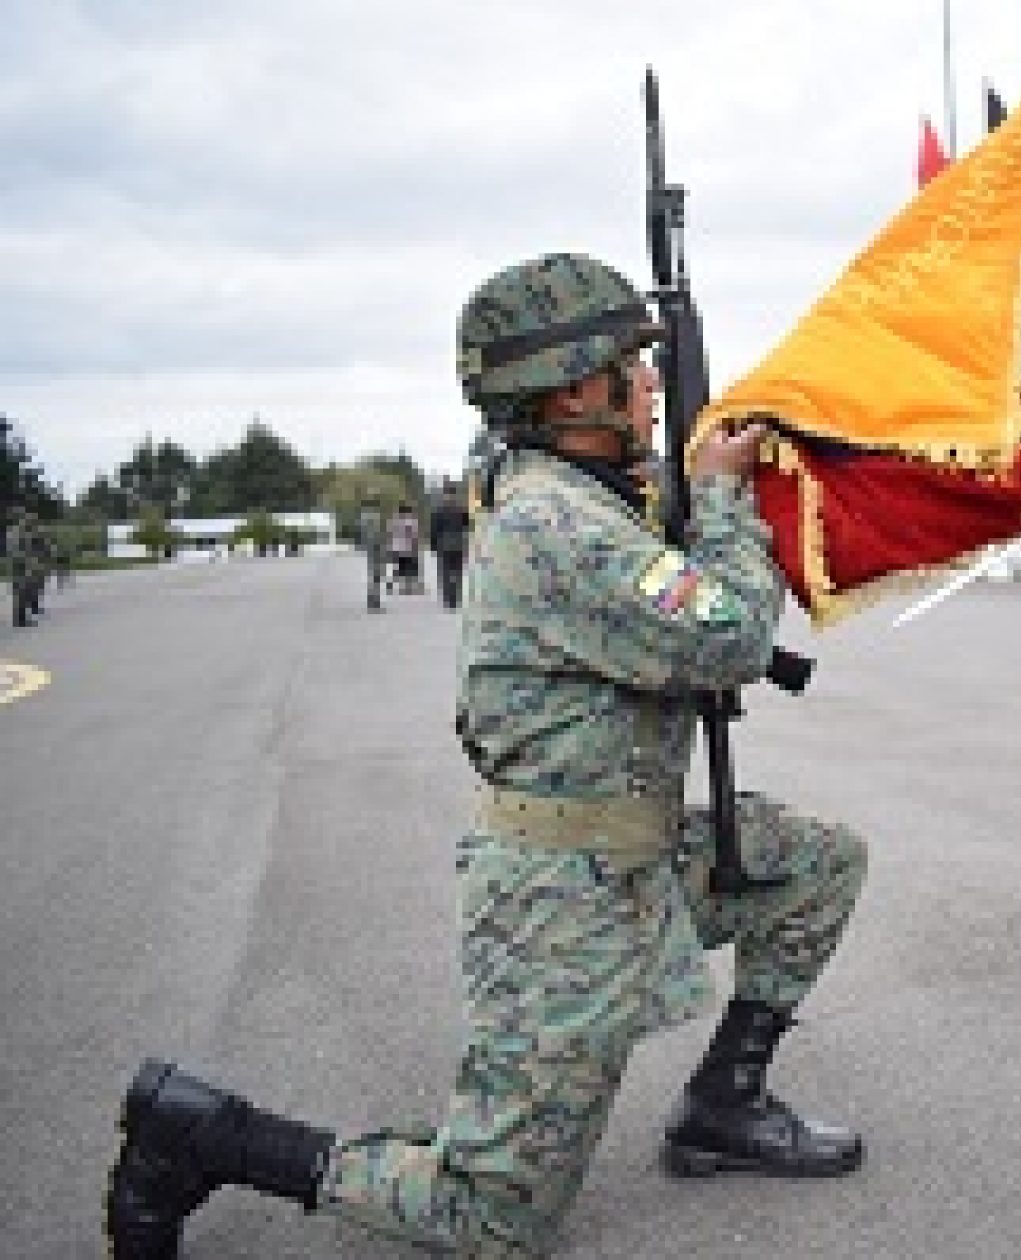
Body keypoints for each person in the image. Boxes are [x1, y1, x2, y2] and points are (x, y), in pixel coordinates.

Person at [105, 252, 869, 1258]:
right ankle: (201, 1135)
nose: (650, 386)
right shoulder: (555, 521)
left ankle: (723, 1105)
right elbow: (722, 633)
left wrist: (677, 481)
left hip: (633, 866)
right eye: (631, 366)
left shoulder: (575, 488)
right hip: (562, 908)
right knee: (493, 1219)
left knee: (815, 863)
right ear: (570, 391)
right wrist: (720, 502)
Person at [428, 482, 472, 610]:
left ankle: (448, 598)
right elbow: (467, 526)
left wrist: (433, 545)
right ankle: (456, 597)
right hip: (459, 542)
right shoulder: (462, 509)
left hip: (444, 543)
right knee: (457, 571)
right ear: (456, 493)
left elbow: (434, 529)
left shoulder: (439, 510)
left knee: (445, 571)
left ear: (444, 494)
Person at [357, 496, 388, 613]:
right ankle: (374, 601)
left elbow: (363, 535)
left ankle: (373, 600)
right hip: (375, 548)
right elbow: (376, 534)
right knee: (376, 575)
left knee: (374, 575)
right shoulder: (373, 517)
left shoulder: (363, 516)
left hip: (370, 548)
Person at [388, 502, 424, 595]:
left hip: (397, 547)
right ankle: (409, 587)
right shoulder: (411, 521)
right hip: (409, 548)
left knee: (400, 567)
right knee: (411, 568)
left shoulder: (395, 520)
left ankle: (392, 584)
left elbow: (391, 533)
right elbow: (414, 535)